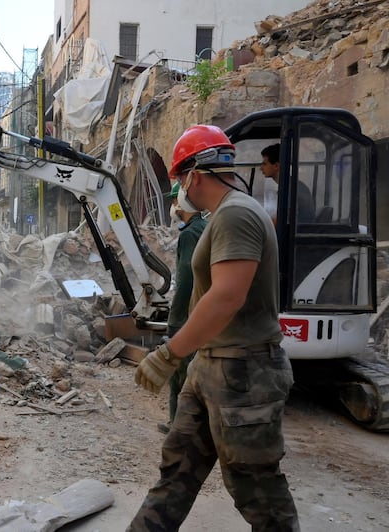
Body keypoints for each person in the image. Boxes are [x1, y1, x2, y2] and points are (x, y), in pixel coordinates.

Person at [130, 125, 298, 531]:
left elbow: (226, 297)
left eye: (178, 179)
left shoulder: (236, 214)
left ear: (194, 174)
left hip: (244, 374)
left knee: (256, 488)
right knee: (177, 471)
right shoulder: (222, 215)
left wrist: (170, 354)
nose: (179, 189)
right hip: (211, 366)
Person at [156, 181, 207, 435]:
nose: (173, 206)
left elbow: (186, 279)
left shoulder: (189, 234)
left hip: (186, 314)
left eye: (175, 200)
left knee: (180, 372)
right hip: (200, 311)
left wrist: (175, 315)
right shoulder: (203, 228)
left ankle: (178, 423)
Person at [261, 143, 315, 224]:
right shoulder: (289, 185)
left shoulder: (289, 188)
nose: (261, 168)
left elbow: (280, 220)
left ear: (276, 166)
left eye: (264, 164)